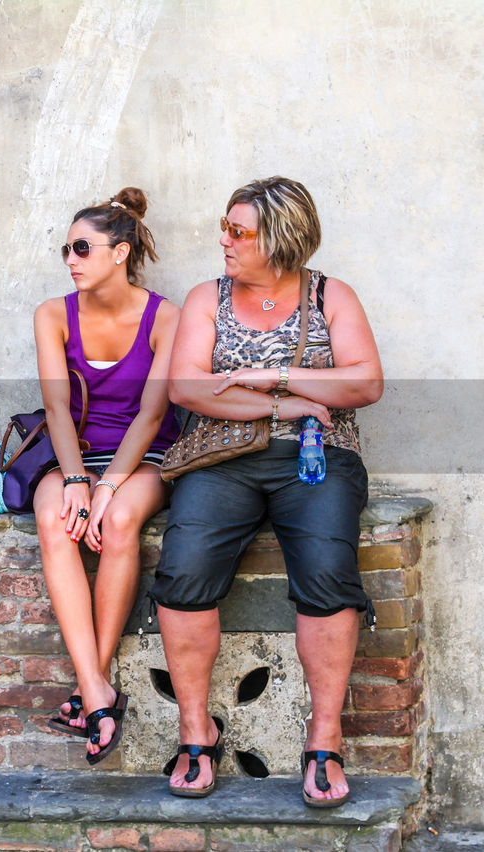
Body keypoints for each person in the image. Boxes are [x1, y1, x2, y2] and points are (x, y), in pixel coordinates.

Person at [152, 177, 382, 804]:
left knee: (330, 576)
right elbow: (187, 388)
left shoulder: (331, 296)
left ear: (280, 239)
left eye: (238, 230)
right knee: (184, 572)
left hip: (318, 458)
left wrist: (266, 374)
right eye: (224, 226)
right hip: (223, 456)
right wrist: (298, 399)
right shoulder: (209, 297)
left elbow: (364, 384)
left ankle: (324, 737)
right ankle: (196, 729)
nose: (223, 239)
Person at [32, 188, 178, 764]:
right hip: (74, 453)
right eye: (65, 249)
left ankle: (90, 683)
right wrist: (75, 480)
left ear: (120, 253)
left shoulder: (165, 316)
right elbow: (55, 409)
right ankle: (97, 688)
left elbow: (153, 413)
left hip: (145, 456)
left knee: (116, 523)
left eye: (81, 248)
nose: (70, 259)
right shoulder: (52, 314)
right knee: (55, 519)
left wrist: (108, 485)